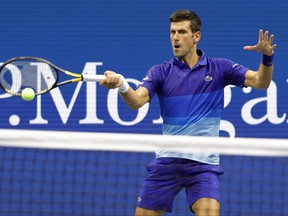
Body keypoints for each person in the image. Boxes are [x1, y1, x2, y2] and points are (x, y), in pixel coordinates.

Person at [99, 9, 276, 216]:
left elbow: (261, 82)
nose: (175, 38)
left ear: (196, 36)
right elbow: (137, 101)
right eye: (172, 32)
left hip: (203, 165)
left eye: (182, 32)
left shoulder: (220, 68)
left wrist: (267, 57)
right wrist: (121, 84)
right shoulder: (160, 72)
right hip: (167, 162)